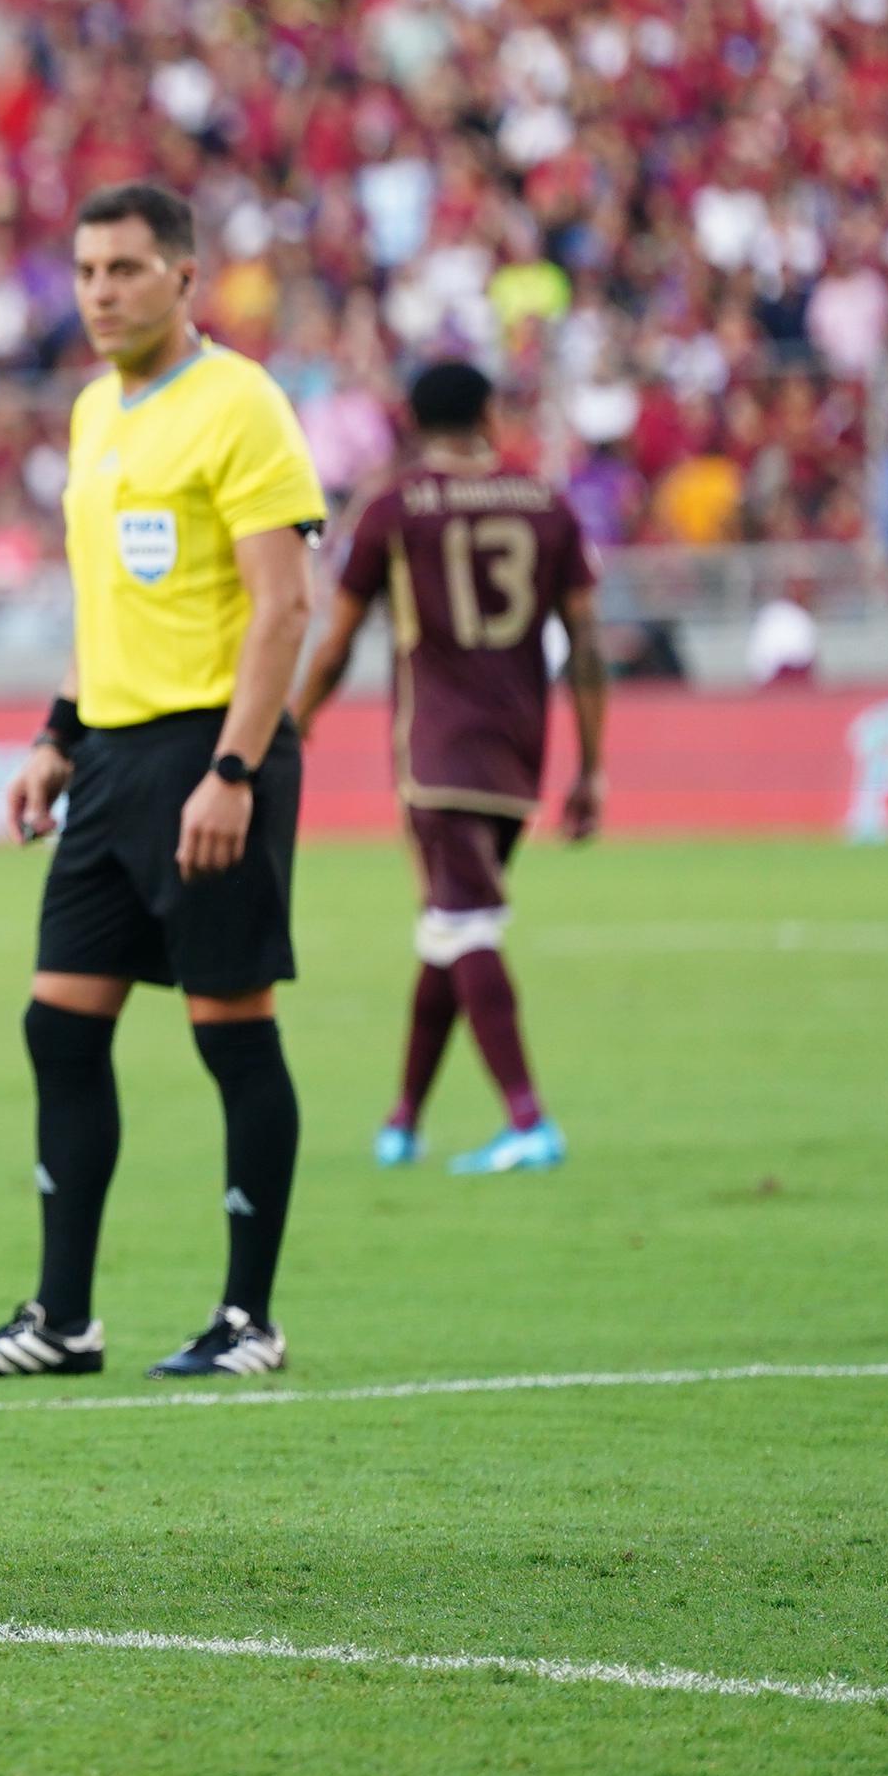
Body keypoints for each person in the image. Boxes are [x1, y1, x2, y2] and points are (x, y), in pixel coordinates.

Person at [0, 181, 326, 1384]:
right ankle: (63, 1317)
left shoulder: (242, 404)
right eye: (88, 270)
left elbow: (285, 604)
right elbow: (106, 610)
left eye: (128, 269)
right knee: (60, 1023)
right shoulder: (97, 409)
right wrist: (57, 731)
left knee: (231, 1034)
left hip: (214, 753)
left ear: (185, 278)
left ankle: (250, 1318)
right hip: (111, 757)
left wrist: (236, 769)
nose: (101, 291)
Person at [293, 359, 604, 1175]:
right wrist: (592, 768)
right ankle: (403, 1121)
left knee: (464, 928)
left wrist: (292, 723)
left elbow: (339, 638)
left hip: (435, 751)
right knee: (447, 930)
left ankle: (528, 1119)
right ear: (490, 414)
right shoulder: (548, 504)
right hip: (518, 751)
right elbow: (588, 648)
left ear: (411, 420)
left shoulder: (395, 510)